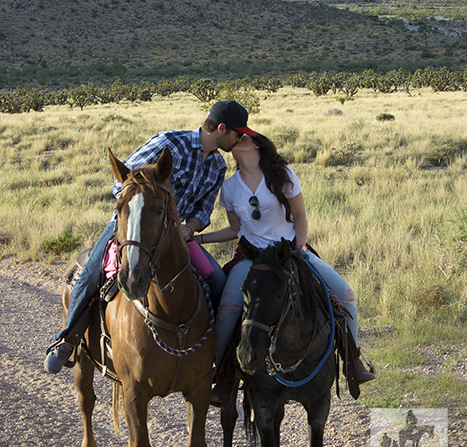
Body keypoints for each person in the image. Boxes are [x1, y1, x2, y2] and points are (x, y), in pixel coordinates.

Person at [44, 100, 256, 374]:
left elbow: (204, 210)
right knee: (91, 275)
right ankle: (66, 340)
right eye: (237, 134)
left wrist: (188, 228)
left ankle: (213, 358)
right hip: (133, 227)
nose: (239, 139)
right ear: (222, 129)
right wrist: (138, 212)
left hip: (175, 235)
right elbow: (123, 180)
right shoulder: (170, 143)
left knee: (217, 281)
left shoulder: (217, 165)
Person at [194, 132, 375, 390]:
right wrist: (199, 240)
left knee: (345, 295)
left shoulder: (283, 175)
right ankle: (222, 376)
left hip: (288, 251)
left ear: (256, 144)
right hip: (251, 257)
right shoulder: (230, 187)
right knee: (227, 309)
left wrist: (300, 247)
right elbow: (235, 229)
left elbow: (300, 217)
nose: (237, 141)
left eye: (242, 138)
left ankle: (352, 363)